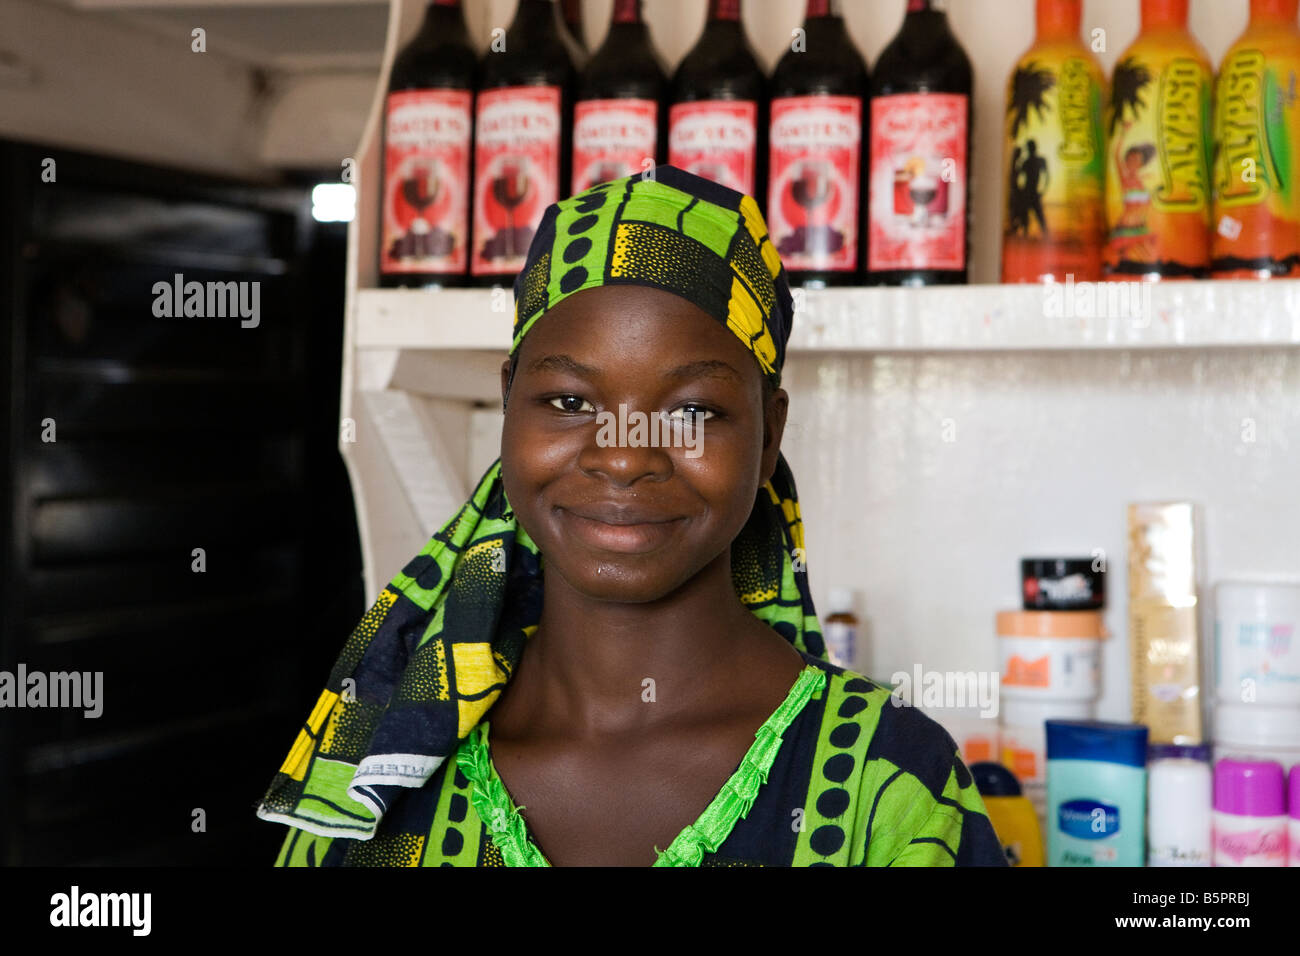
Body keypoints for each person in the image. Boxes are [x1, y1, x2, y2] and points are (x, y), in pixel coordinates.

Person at [255, 166, 1007, 867]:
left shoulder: (897, 788)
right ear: (511, 397)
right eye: (571, 402)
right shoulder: (368, 776)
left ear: (769, 432)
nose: (622, 457)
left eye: (692, 411)